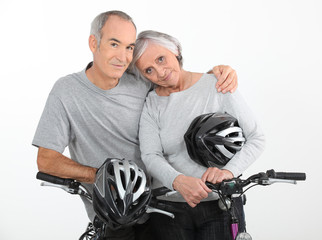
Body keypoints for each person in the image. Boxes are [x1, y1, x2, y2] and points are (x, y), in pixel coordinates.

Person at [33, 10, 239, 240]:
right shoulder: (66, 91)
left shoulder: (141, 79)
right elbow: (46, 159)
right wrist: (103, 176)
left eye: (129, 47)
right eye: (114, 44)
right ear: (94, 42)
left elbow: (178, 84)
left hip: (161, 207)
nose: (123, 57)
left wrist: (215, 76)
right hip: (112, 215)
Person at [132, 30, 266, 240]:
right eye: (149, 70)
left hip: (220, 205)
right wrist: (177, 181)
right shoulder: (152, 104)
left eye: (161, 58)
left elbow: (256, 138)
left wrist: (228, 172)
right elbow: (150, 155)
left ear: (175, 50)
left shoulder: (217, 84)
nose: (160, 71)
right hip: (169, 210)